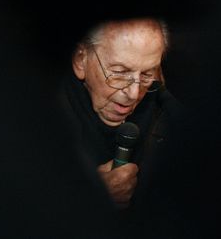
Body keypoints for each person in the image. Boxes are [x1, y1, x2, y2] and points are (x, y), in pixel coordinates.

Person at [55, 16, 201, 238]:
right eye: (120, 72)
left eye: (146, 74)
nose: (133, 94)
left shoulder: (174, 124)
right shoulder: (39, 122)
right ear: (80, 60)